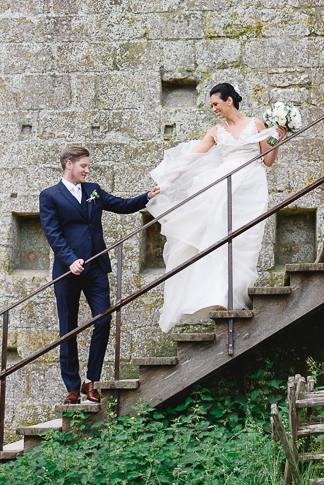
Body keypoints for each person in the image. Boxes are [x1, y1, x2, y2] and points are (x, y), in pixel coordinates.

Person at [148, 83, 287, 333]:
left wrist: (280, 136)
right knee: (220, 238)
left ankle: (237, 296)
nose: (213, 109)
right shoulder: (215, 131)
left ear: (229, 100)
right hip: (223, 187)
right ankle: (223, 300)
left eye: (216, 104)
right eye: (212, 105)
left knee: (247, 241)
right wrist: (166, 183)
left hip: (252, 188)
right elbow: (191, 158)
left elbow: (267, 161)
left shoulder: (256, 124)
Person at [39, 146, 161, 404]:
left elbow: (121, 205)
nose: (87, 170)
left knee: (103, 319)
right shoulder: (49, 196)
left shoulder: (93, 189)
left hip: (96, 267)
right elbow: (53, 234)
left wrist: (147, 196)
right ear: (69, 164)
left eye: (88, 166)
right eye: (83, 165)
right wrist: (71, 260)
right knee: (68, 329)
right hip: (67, 271)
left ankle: (90, 381)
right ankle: (72, 388)